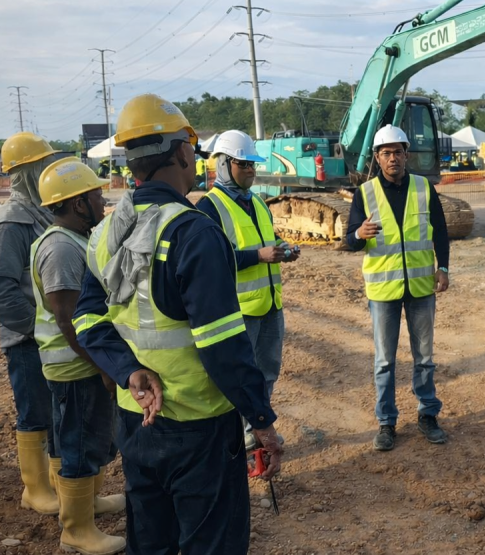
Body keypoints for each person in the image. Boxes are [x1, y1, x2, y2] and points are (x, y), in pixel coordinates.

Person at [72, 94, 283, 554]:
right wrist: (262, 420)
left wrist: (127, 371)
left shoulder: (108, 231)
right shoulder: (193, 232)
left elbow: (87, 318)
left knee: (152, 541)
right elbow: (223, 346)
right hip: (200, 428)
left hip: (137, 420)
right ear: (184, 152)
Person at [32, 157, 124, 555]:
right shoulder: (61, 249)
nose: (103, 203)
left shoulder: (74, 240)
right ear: (76, 204)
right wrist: (102, 365)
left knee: (86, 439)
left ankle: (87, 505)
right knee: (79, 443)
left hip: (75, 364)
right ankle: (76, 530)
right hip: (74, 366)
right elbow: (69, 320)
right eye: (95, 196)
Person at [344, 124, 450, 452]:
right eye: (386, 153)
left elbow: (441, 231)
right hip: (383, 292)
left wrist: (443, 267)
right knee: (384, 361)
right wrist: (359, 235)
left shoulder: (423, 188)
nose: (393, 158)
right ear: (377, 157)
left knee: (425, 357)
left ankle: (427, 414)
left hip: (420, 287)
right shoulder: (365, 194)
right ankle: (386, 422)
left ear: (407, 154)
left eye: (398, 151)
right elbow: (348, 241)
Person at [197, 130, 299, 451]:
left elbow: (265, 241)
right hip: (239, 310)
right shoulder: (209, 208)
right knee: (241, 376)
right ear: (225, 165)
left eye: (253, 165)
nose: (252, 171)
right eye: (245, 165)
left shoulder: (257, 201)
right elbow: (213, 260)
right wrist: (259, 256)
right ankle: (242, 435)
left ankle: (258, 426)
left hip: (269, 304)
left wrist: (283, 248)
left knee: (267, 372)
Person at [0, 132, 62, 515]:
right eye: (42, 165)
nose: (50, 170)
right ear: (26, 172)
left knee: (61, 412)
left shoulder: (43, 214)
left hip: (52, 338)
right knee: (36, 413)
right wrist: (38, 328)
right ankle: (35, 489)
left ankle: (63, 488)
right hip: (28, 340)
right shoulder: (11, 223)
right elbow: (2, 293)